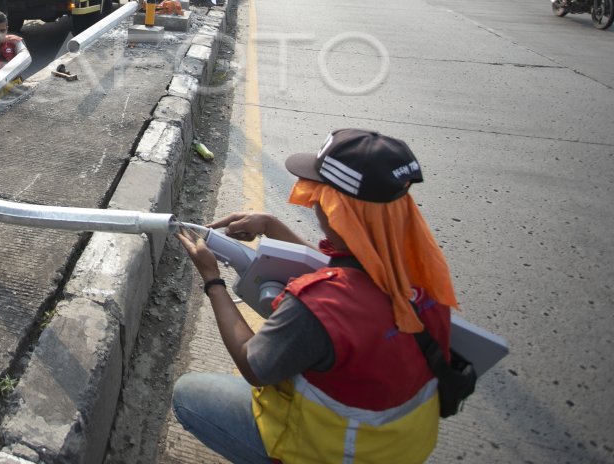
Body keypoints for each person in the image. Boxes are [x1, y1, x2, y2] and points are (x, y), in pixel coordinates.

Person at [174, 129, 458, 464]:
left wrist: (212, 279)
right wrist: (272, 226)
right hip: (401, 447)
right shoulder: (417, 272)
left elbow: (254, 365)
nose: (314, 202)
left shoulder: (318, 306)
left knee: (187, 394)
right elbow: (349, 274)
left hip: (336, 452)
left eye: (320, 195)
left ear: (339, 211)